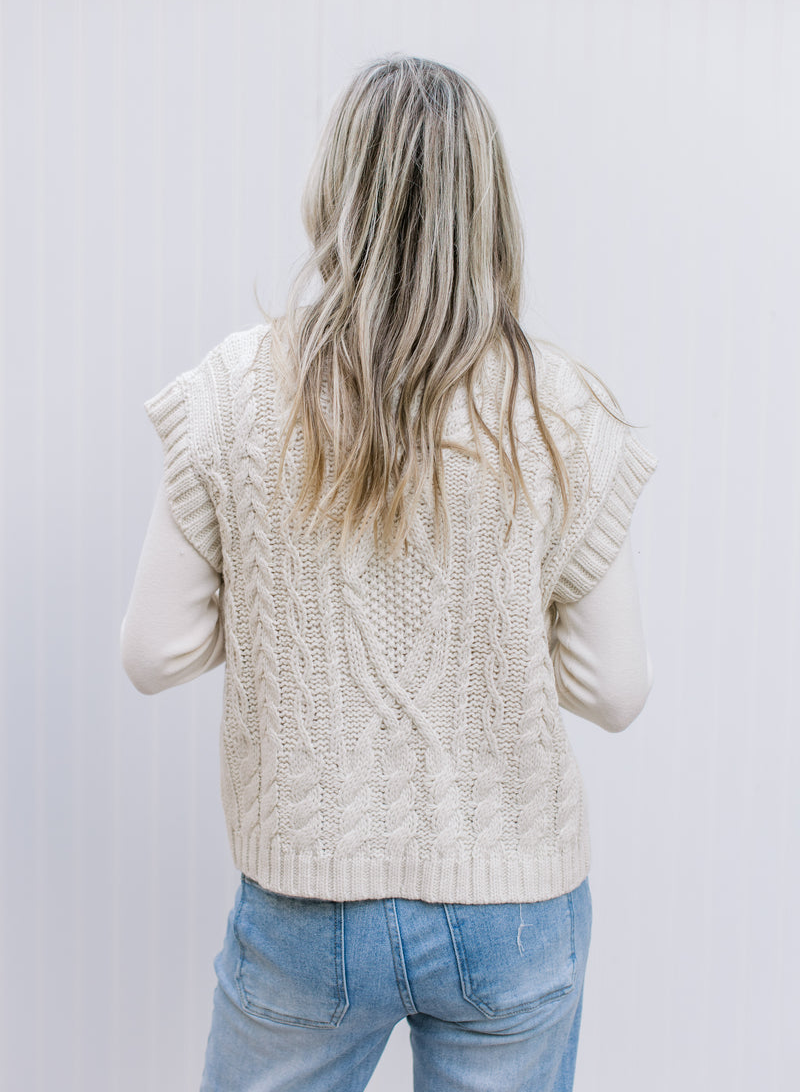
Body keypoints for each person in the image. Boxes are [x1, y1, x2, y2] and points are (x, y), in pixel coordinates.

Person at [120, 54, 657, 1092]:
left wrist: (282, 591)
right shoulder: (562, 410)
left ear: (336, 194)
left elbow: (152, 652)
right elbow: (616, 690)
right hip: (515, 906)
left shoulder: (235, 391)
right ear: (487, 206)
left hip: (305, 902)